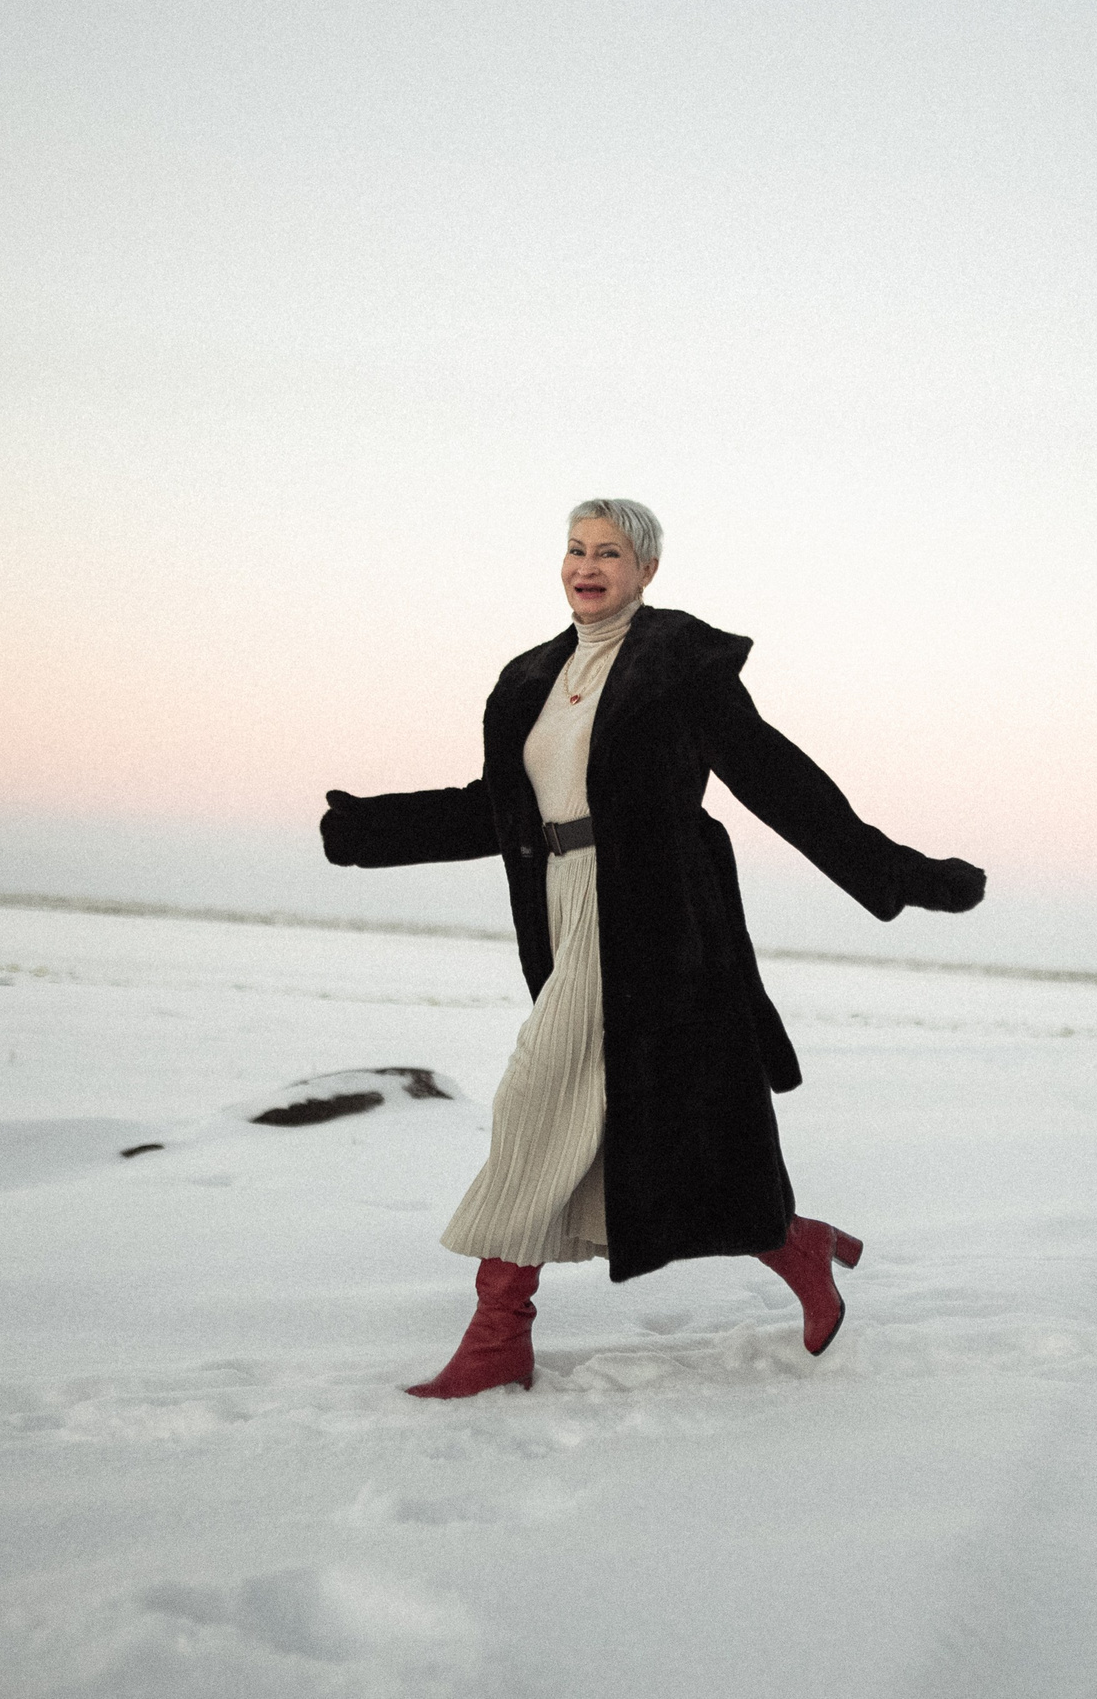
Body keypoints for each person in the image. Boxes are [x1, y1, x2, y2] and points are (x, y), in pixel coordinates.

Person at [320, 498, 986, 1398]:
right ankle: (798, 1246)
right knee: (654, 1131)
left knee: (532, 1099)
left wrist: (896, 872)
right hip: (565, 905)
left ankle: (499, 1335)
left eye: (609, 552)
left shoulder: (678, 662)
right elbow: (500, 809)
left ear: (646, 570)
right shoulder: (531, 678)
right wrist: (372, 830)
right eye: (575, 549)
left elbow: (775, 777)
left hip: (651, 912)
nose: (587, 566)